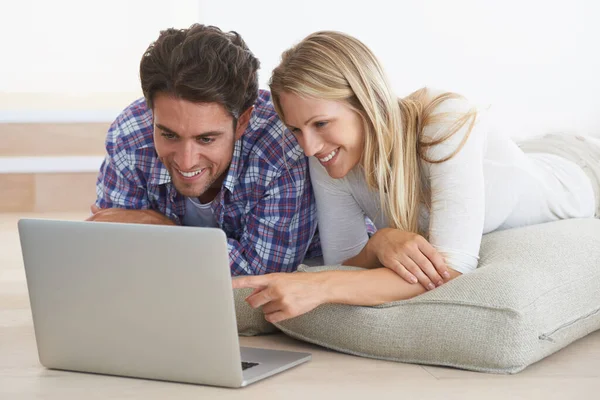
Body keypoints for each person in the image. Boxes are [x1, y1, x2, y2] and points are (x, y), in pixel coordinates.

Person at [233, 30, 600, 323]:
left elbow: (452, 268)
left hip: (579, 166)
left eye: (322, 123)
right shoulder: (329, 157)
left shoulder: (441, 120)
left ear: (367, 102)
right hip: (516, 160)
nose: (309, 147)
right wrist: (378, 244)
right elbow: (342, 259)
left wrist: (317, 287)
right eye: (296, 130)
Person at [88, 24, 320, 276]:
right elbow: (114, 252)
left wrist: (165, 231)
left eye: (206, 139)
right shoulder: (130, 134)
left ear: (242, 121)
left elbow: (261, 277)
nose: (186, 162)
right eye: (168, 135)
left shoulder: (281, 148)